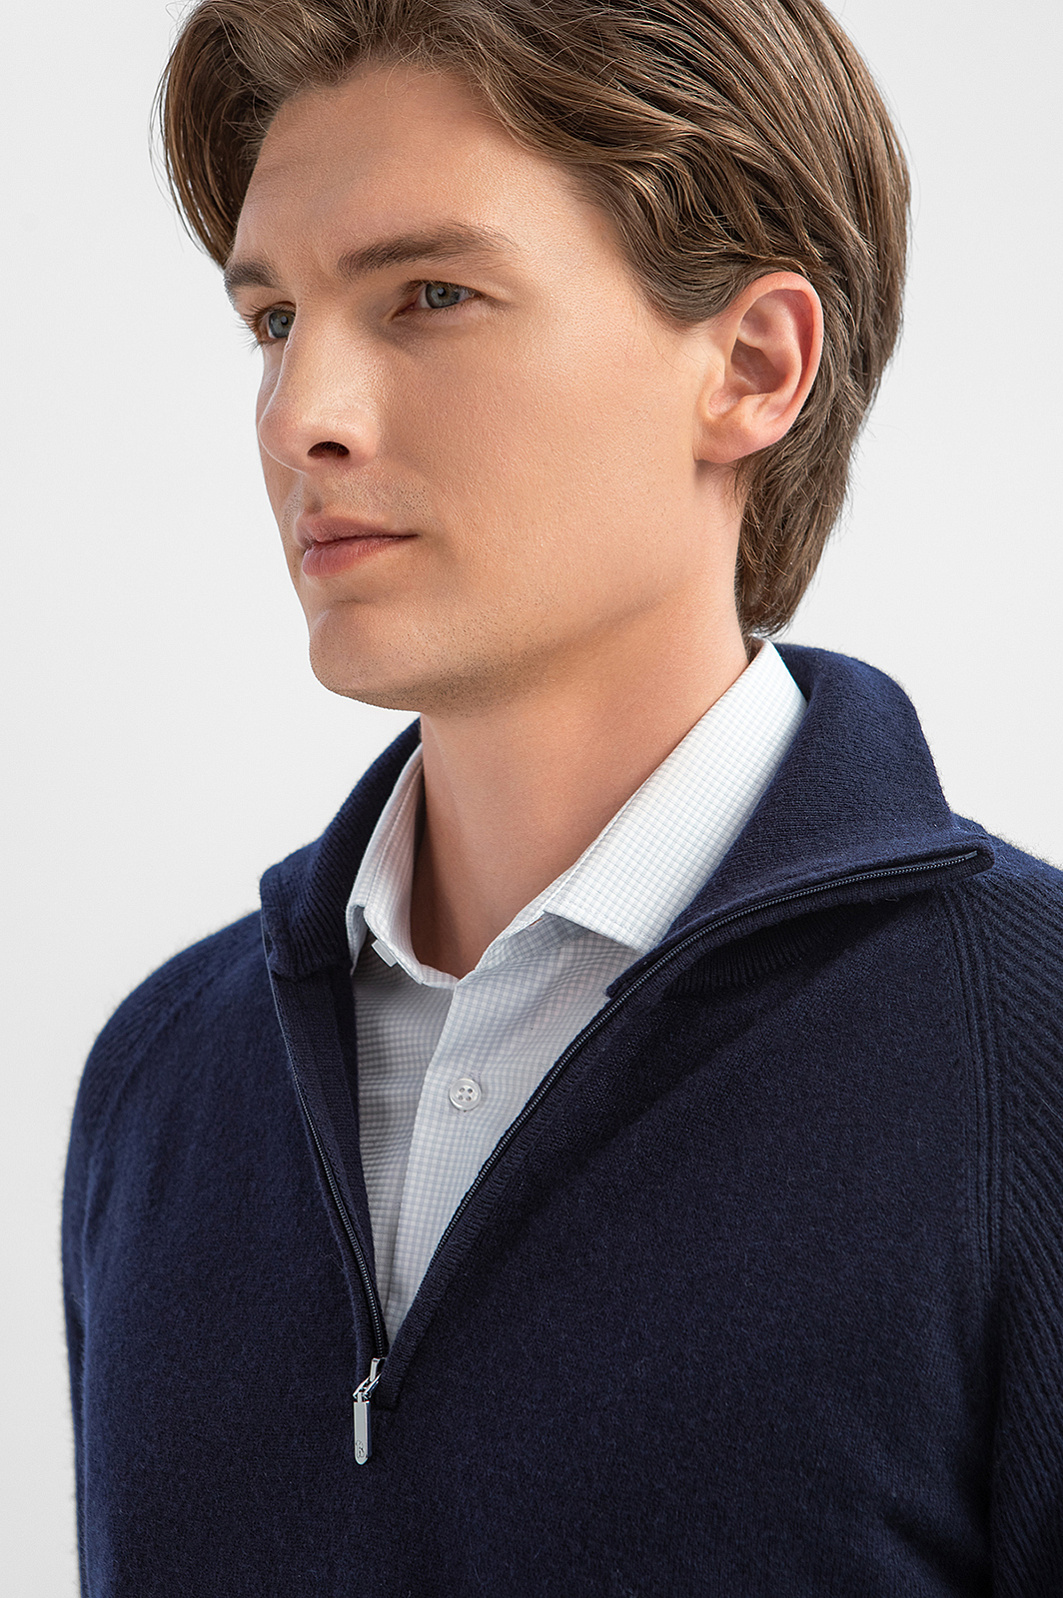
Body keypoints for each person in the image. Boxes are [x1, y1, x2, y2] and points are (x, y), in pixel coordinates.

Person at [62, 0, 1063, 1591]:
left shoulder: (1033, 1052)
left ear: (753, 365)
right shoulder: (165, 1079)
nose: (302, 413)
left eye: (430, 295)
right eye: (274, 320)